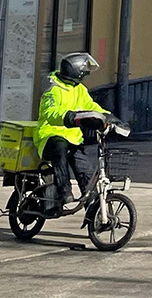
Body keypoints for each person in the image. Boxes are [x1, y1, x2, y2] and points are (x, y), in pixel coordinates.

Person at [34, 52, 110, 207]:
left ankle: (93, 206)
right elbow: (49, 113)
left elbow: (91, 106)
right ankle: (64, 191)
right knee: (59, 148)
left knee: (84, 168)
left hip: (73, 138)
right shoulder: (53, 89)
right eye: (84, 72)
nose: (86, 75)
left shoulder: (79, 89)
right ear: (76, 71)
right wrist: (68, 117)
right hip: (49, 136)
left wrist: (107, 117)